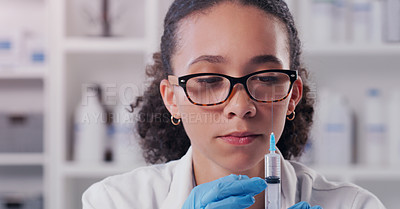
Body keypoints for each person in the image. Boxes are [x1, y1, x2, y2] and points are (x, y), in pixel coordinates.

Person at [82, 0, 386, 208]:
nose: (240, 107)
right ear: (172, 98)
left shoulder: (354, 205)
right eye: (208, 80)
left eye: (266, 78)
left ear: (292, 95)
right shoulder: (114, 201)